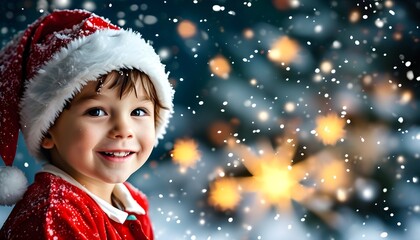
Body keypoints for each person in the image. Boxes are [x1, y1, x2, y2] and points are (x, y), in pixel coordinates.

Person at [0, 9, 174, 239]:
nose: (124, 130)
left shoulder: (132, 204)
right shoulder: (52, 215)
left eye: (138, 111)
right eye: (97, 111)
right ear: (48, 131)